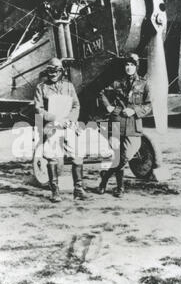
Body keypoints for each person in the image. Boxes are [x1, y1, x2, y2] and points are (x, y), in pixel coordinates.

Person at [97, 53, 152, 198]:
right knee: (117, 155)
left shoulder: (143, 84)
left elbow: (148, 105)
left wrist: (134, 110)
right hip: (117, 121)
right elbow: (102, 93)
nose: (129, 68)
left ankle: (105, 177)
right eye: (127, 65)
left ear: (136, 66)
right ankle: (120, 188)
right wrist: (108, 107)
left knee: (126, 155)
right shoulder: (116, 82)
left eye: (132, 65)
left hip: (133, 124)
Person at [34, 57, 87, 203]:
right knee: (52, 157)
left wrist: (70, 119)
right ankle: (55, 191)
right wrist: (55, 119)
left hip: (68, 125)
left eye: (56, 71)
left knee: (77, 155)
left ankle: (78, 188)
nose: (53, 74)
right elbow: (39, 109)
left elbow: (76, 106)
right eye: (50, 71)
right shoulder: (41, 88)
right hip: (52, 126)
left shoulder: (69, 86)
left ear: (61, 72)